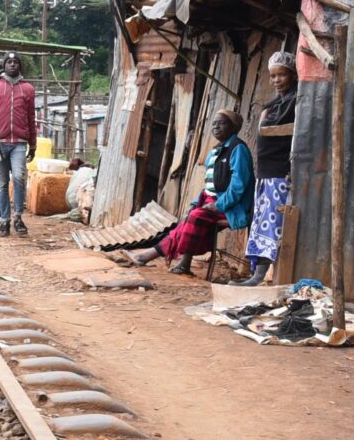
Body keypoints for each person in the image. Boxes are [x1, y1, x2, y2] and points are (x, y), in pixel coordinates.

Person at [124, 112, 251, 276]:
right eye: (214, 123)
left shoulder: (238, 149)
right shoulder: (215, 152)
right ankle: (147, 256)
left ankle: (182, 262)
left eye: (222, 123)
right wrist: (197, 202)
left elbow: (238, 186)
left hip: (232, 205)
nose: (216, 127)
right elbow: (209, 185)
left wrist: (218, 204)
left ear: (234, 127)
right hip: (212, 200)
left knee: (196, 216)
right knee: (188, 217)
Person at [246, 51, 297, 283]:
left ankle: (260, 276)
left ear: (293, 75)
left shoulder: (294, 100)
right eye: (273, 75)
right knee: (261, 222)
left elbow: (273, 125)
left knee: (272, 226)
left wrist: (266, 116)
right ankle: (255, 273)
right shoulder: (277, 102)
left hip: (278, 174)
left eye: (282, 75)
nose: (276, 80)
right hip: (265, 174)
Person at [0, 53, 37, 236]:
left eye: (16, 62)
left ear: (20, 66)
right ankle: (4, 220)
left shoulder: (28, 89)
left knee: (18, 178)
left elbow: (31, 117)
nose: (13, 65)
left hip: (19, 144)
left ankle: (18, 217)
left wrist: (33, 144)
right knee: (1, 184)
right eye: (9, 62)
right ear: (4, 65)